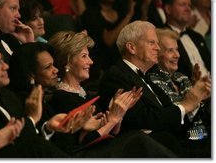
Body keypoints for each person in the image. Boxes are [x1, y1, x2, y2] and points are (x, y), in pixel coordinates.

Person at [48, 30, 177, 158]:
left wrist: (118, 113)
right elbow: (82, 143)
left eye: (89, 55)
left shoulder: (85, 93)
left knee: (158, 138)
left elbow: (111, 132)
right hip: (87, 156)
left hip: (104, 149)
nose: (91, 61)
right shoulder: (61, 97)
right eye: (84, 56)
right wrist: (113, 119)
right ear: (67, 62)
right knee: (138, 140)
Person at [98, 20, 211, 157]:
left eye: (157, 43)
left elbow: (171, 115)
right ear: (132, 48)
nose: (157, 48)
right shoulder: (117, 76)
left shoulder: (145, 77)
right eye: (152, 43)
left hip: (176, 140)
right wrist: (186, 105)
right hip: (152, 150)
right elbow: (143, 120)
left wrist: (197, 100)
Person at [0, 35, 72, 158]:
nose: (6, 66)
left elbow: (30, 141)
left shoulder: (7, 95)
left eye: (3, 60)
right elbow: (5, 149)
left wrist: (47, 127)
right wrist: (32, 119)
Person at [146, 28, 211, 157]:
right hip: (182, 145)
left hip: (203, 137)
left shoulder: (182, 77)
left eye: (177, 49)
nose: (177, 55)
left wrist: (204, 95)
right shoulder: (152, 80)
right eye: (170, 51)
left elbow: (201, 115)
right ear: (157, 54)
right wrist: (194, 98)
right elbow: (176, 120)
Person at [8, 42, 94, 137]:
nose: (56, 70)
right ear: (30, 75)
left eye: (53, 64)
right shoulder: (23, 103)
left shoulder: (42, 99)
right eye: (48, 67)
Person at [79, 0, 136, 88]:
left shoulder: (120, 11)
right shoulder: (91, 14)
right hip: (101, 64)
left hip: (121, 59)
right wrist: (129, 15)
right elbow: (108, 40)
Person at [161, 0, 211, 79]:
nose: (188, 9)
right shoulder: (162, 38)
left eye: (189, 5)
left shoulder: (197, 36)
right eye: (183, 5)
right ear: (168, 9)